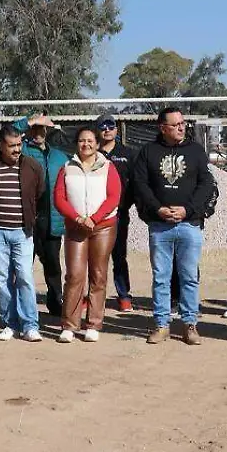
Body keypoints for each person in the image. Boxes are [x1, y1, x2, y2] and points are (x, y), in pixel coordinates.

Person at [133, 108, 215, 346]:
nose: (181, 127)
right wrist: (157, 208)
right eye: (176, 124)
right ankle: (161, 324)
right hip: (160, 226)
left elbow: (206, 184)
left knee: (189, 277)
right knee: (161, 277)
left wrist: (187, 210)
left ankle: (190, 325)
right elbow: (141, 184)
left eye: (183, 123)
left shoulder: (196, 151)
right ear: (162, 127)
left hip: (189, 225)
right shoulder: (148, 152)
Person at [0, 125, 45, 342]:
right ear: (0, 145)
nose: (17, 149)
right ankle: (9, 324)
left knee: (25, 277)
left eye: (19, 144)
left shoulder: (32, 166)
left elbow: (40, 194)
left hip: (23, 233)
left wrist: (31, 219)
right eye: (11, 145)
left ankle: (30, 325)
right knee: (2, 278)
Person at [53, 127, 122, 343]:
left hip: (103, 227)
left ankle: (93, 323)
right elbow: (59, 197)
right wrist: (77, 218)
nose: (86, 144)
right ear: (77, 144)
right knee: (74, 275)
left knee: (98, 274)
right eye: (82, 141)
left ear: (97, 144)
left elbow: (114, 196)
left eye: (90, 140)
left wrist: (95, 218)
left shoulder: (108, 167)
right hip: (76, 227)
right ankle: (69, 325)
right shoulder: (67, 167)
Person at [11, 114, 67, 317]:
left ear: (48, 132)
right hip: (27, 219)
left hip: (52, 219)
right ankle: (19, 305)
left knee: (53, 265)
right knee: (22, 266)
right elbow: (10, 133)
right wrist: (30, 121)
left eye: (41, 130)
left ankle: (55, 302)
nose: (37, 133)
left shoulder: (60, 157)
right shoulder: (22, 151)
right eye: (34, 129)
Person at [96, 114, 136, 312]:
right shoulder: (91, 153)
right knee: (95, 257)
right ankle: (94, 296)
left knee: (119, 255)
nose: (107, 129)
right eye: (102, 126)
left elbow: (136, 184)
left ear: (116, 129)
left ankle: (124, 295)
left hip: (119, 214)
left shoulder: (128, 154)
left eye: (110, 125)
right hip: (95, 215)